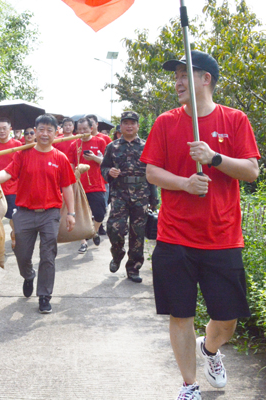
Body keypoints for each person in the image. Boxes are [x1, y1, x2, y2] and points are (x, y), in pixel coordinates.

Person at [140, 50, 260, 400]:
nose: (177, 82)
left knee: (228, 319)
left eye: (184, 75)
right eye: (175, 76)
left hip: (223, 236)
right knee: (180, 314)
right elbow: (152, 172)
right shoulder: (165, 122)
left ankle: (209, 348)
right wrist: (185, 183)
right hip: (174, 235)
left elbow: (252, 171)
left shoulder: (235, 119)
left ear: (206, 78)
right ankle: (189, 385)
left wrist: (214, 158)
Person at [0, 114, 76, 313]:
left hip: (50, 213)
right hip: (24, 213)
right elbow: (8, 173)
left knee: (48, 256)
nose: (44, 134)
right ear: (35, 131)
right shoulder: (23, 154)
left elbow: (67, 186)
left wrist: (71, 213)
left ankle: (44, 295)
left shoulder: (60, 158)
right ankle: (28, 275)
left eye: (49, 130)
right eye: (41, 129)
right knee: (22, 254)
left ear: (56, 133)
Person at [100, 111, 158, 283]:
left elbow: (152, 173)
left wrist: (154, 199)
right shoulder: (113, 146)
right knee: (114, 229)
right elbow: (103, 168)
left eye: (132, 123)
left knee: (137, 233)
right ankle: (117, 254)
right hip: (119, 194)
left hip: (141, 195)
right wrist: (109, 172)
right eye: (126, 123)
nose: (129, 126)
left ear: (138, 126)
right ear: (121, 126)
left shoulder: (147, 146)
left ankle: (133, 268)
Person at [67, 117, 106, 254]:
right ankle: (83, 242)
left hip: (96, 185)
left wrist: (94, 157)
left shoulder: (100, 141)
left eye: (85, 129)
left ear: (91, 128)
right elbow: (71, 166)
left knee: (100, 214)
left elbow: (105, 162)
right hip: (79, 186)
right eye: (80, 129)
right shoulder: (74, 144)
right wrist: (71, 182)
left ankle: (93, 232)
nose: (82, 132)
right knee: (80, 216)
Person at [0, 117, 22, 248]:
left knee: (14, 217)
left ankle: (14, 235)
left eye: (4, 128)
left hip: (13, 187)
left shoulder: (18, 145)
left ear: (10, 129)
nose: (2, 131)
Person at [86, 114, 111, 234]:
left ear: (96, 124)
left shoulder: (104, 139)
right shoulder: (78, 141)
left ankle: (99, 227)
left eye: (91, 123)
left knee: (102, 207)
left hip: (101, 179)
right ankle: (89, 230)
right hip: (85, 180)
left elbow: (109, 158)